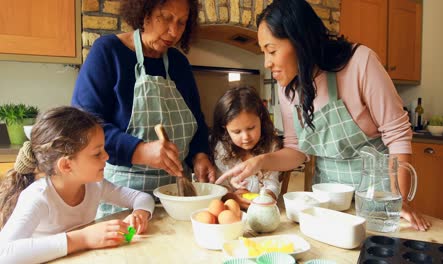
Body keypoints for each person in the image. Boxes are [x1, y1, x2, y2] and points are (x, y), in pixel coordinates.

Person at [216, 0, 430, 231]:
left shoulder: (360, 63)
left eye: (272, 51)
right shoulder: (287, 86)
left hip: (376, 198)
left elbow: (397, 135)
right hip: (327, 202)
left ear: (300, 41)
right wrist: (261, 161)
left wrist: (397, 200)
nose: (267, 63)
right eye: (264, 53)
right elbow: (297, 150)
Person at [71, 0, 216, 217]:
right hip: (124, 196)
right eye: (166, 18)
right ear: (144, 13)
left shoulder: (179, 63)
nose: (173, 31)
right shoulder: (108, 52)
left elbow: (196, 121)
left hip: (177, 197)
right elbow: (83, 125)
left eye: (181, 22)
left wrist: (199, 155)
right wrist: (139, 151)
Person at [0, 106, 155, 263]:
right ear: (67, 165)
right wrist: (84, 238)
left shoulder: (95, 185)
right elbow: (4, 254)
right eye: (97, 154)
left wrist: (140, 214)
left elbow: (142, 198)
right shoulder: (37, 197)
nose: (106, 156)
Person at [210, 87, 283, 209]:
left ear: (261, 119)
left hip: (263, 210)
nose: (246, 137)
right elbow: (220, 186)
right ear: (225, 128)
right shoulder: (221, 149)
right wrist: (231, 197)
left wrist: (265, 200)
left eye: (251, 128)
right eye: (237, 132)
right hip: (232, 210)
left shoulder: (271, 146)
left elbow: (272, 185)